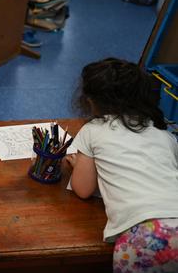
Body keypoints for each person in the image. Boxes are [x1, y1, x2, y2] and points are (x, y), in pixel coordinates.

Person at [66, 58, 178, 272]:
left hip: (144, 236)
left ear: (90, 100)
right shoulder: (165, 136)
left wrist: (77, 166)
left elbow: (83, 189)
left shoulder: (93, 130)